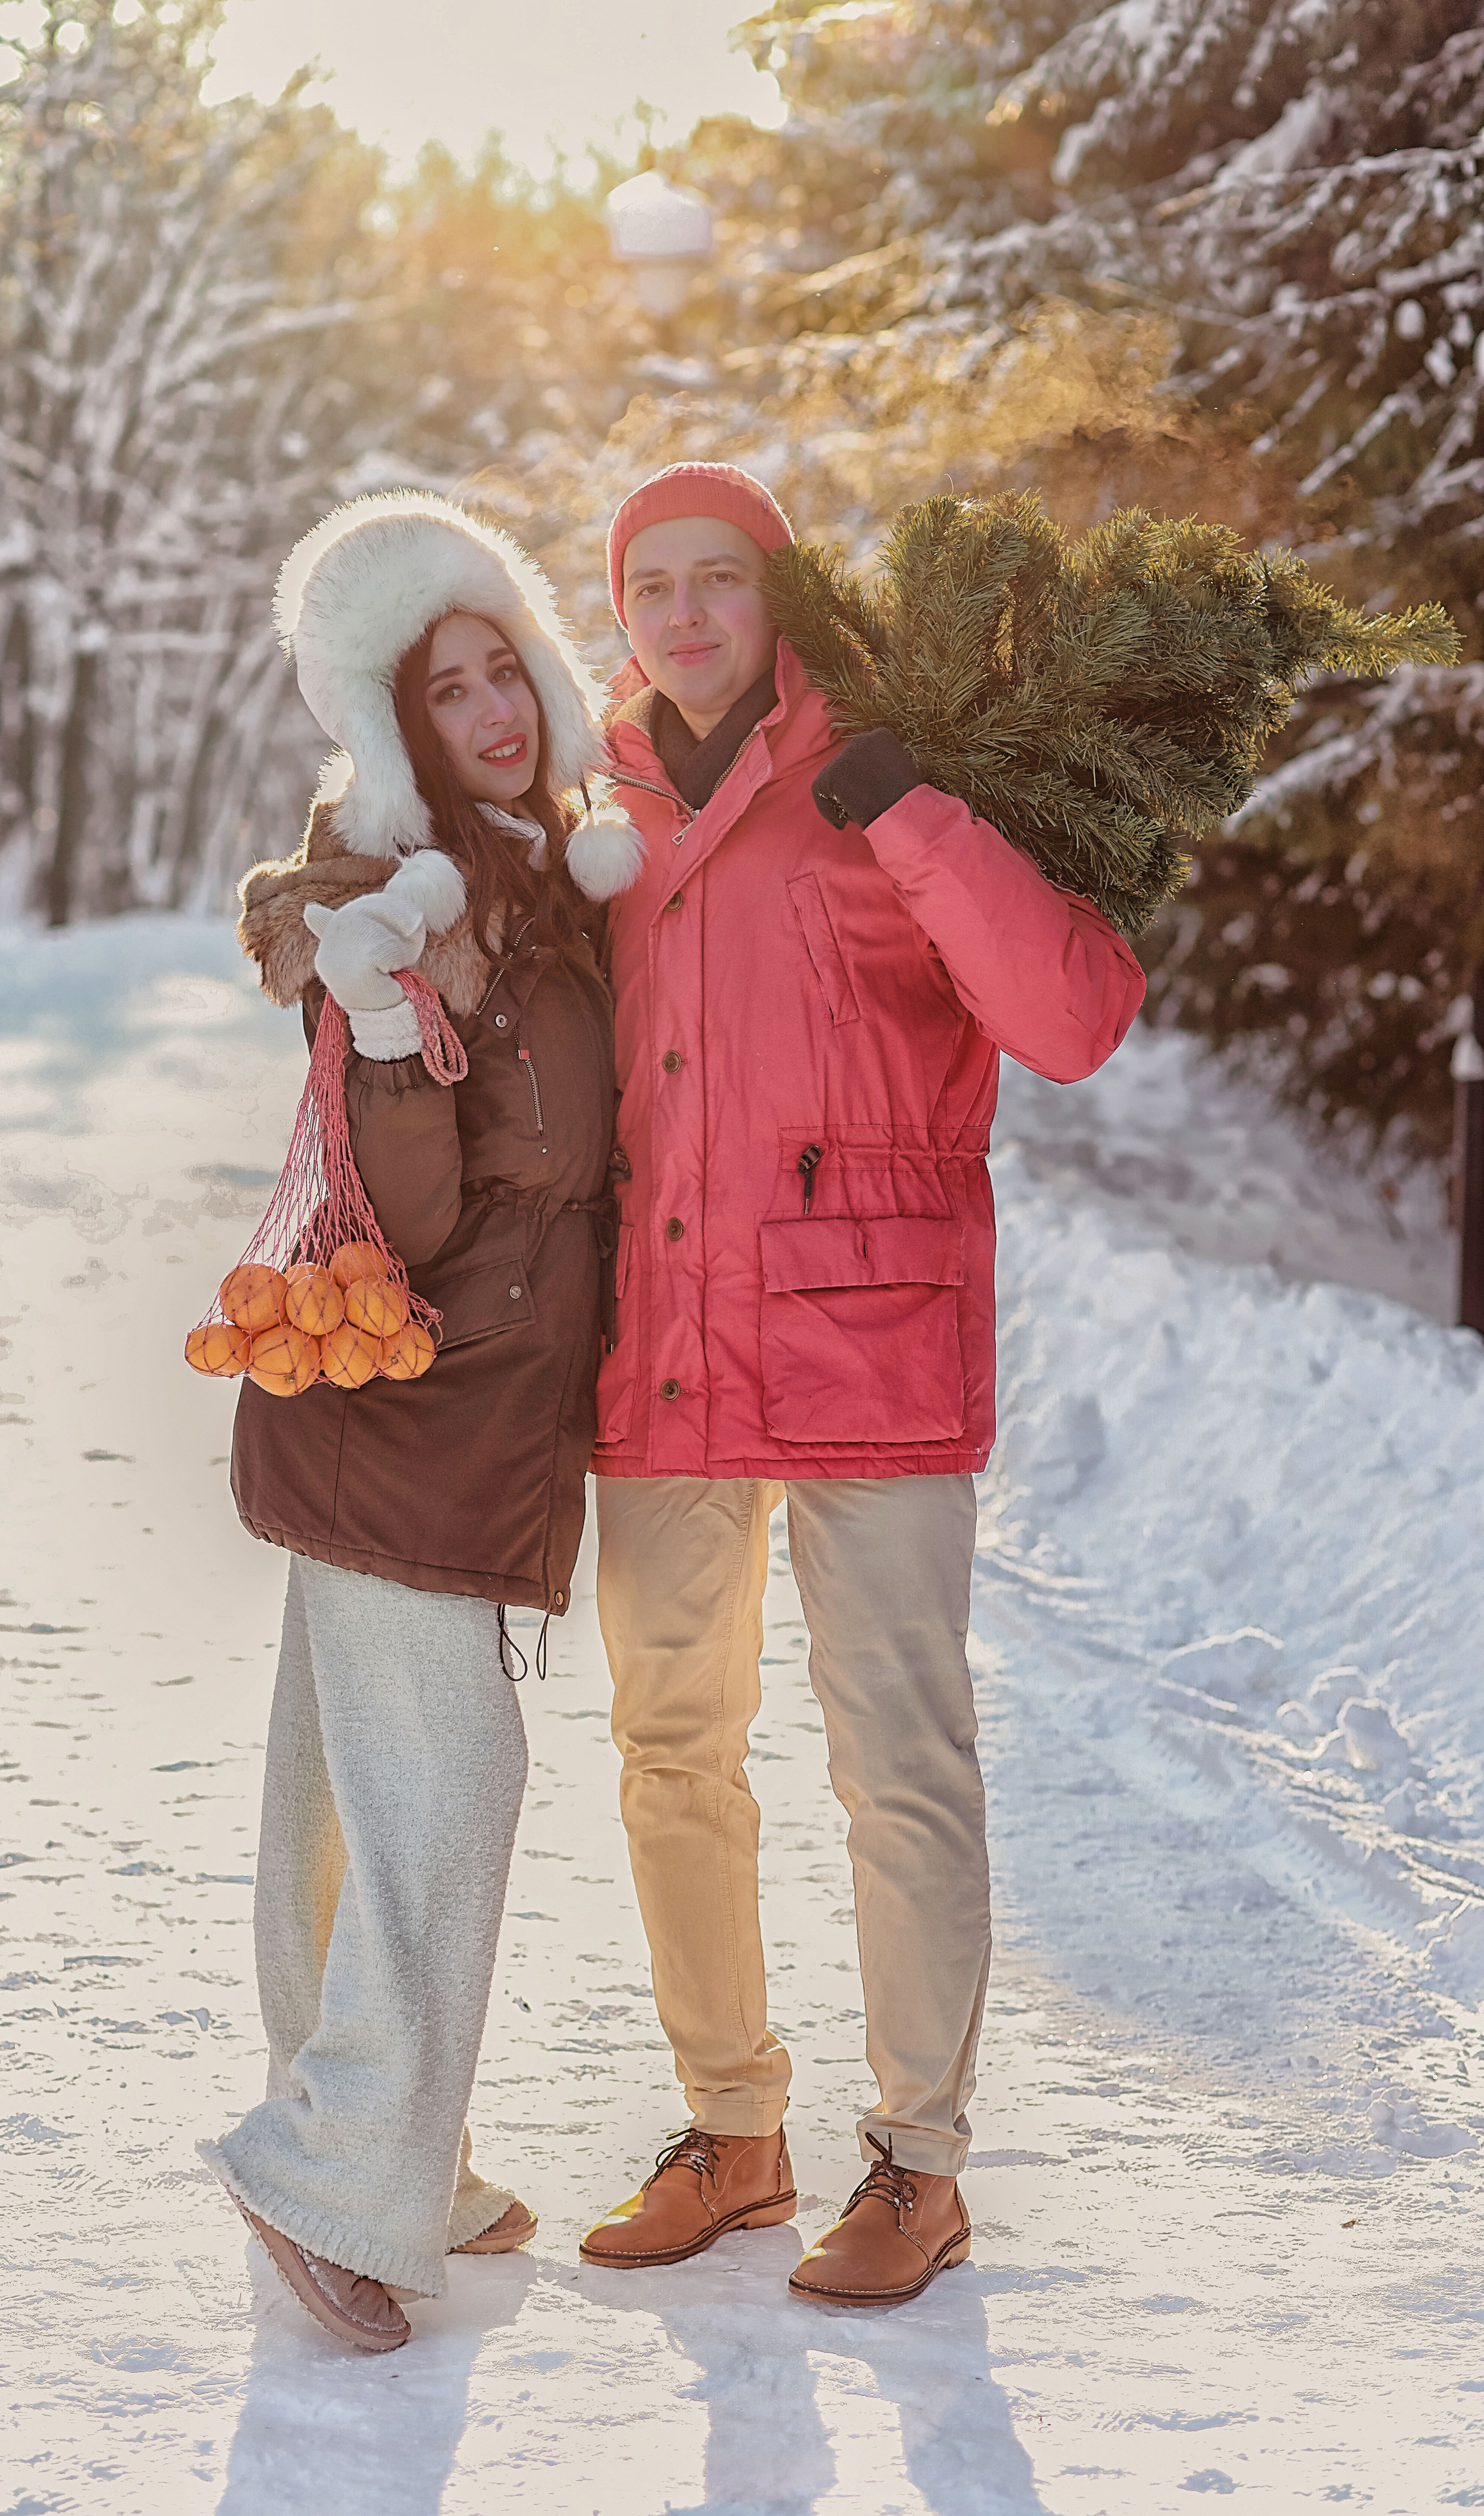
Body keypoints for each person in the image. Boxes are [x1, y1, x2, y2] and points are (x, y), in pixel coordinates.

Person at [579, 461, 1145, 2308]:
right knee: (672, 1751)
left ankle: (920, 2164)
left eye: (716, 576)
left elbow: (1069, 1019)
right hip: (659, 1359)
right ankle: (733, 2132)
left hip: (872, 1344)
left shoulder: (903, 772)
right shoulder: (603, 815)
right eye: (650, 582)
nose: (682, 612)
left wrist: (909, 812)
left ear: (780, 594)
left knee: (899, 1760)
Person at [199, 493, 641, 2354]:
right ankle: (332, 2173)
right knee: (449, 1787)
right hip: (406, 1408)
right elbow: (430, 1213)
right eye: (443, 688)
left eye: (500, 670)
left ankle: (391, 2139)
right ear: (397, 722)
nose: (490, 708)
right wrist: (391, 1025)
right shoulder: (405, 902)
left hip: (457, 1421)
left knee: (340, 1805)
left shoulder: (539, 873)